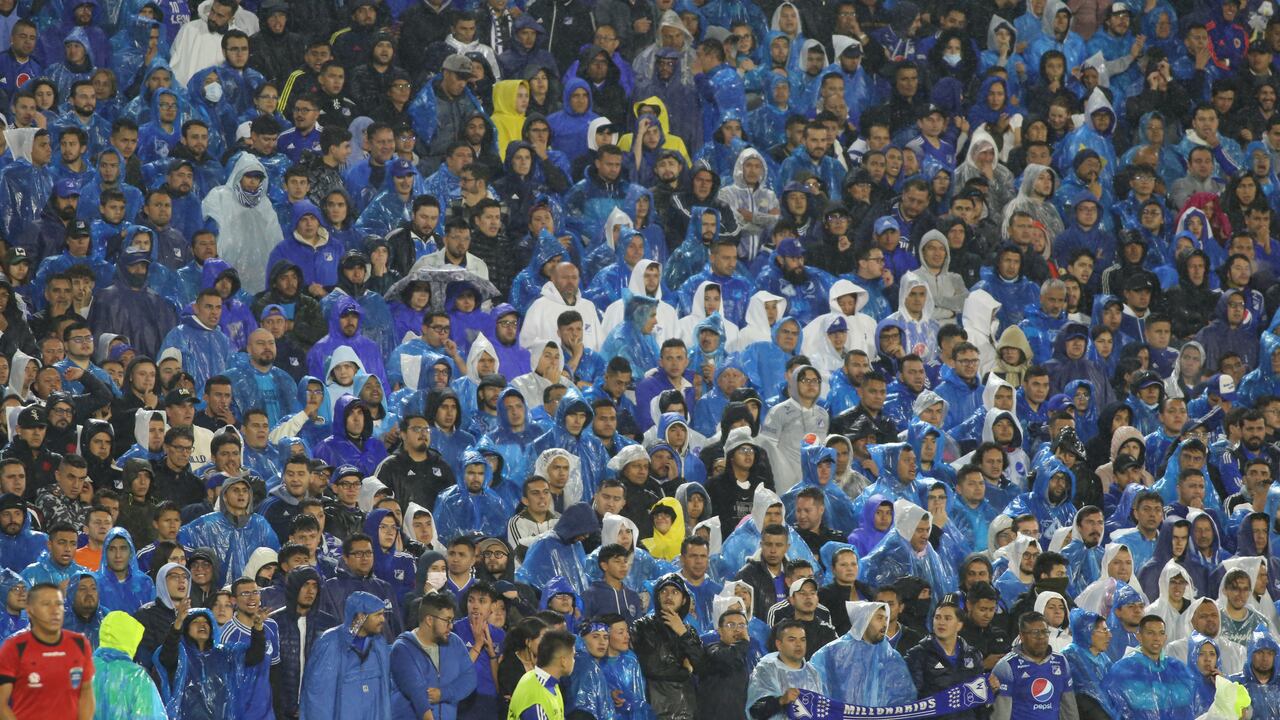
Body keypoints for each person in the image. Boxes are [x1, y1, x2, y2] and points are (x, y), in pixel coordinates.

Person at [0, 582, 95, 718]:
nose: (54, 610)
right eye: (46, 604)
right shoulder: (13, 648)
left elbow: (86, 692)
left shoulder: (79, 644)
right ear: (30, 610)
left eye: (59, 604)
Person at [300, 590, 393, 720]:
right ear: (361, 616)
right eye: (378, 615)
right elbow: (319, 700)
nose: (383, 619)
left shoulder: (379, 646)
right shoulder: (330, 644)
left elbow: (386, 694)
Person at [390, 591, 478, 720]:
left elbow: (470, 678)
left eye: (452, 620)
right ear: (429, 620)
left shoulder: (454, 642)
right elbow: (417, 693)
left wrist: (444, 693)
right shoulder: (403, 648)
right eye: (447, 621)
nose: (451, 626)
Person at [1101, 614, 1197, 719]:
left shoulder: (1177, 668)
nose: (1156, 638)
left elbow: (1192, 703)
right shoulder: (1122, 670)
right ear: (1139, 637)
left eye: (1161, 633)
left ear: (1165, 638)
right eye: (1150, 633)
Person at [991, 611, 1079, 720]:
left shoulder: (1060, 661)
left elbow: (1069, 708)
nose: (1041, 637)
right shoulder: (1006, 666)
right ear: (1022, 636)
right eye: (1035, 632)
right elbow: (1000, 714)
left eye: (1044, 631)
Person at [745, 619, 825, 720]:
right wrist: (781, 700)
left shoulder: (812, 673)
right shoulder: (766, 670)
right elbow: (754, 710)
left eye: (802, 639)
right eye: (792, 640)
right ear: (779, 644)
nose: (798, 644)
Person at [506, 629, 577, 720]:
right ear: (563, 661)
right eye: (573, 657)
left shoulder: (546, 681)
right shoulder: (537, 700)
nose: (574, 661)